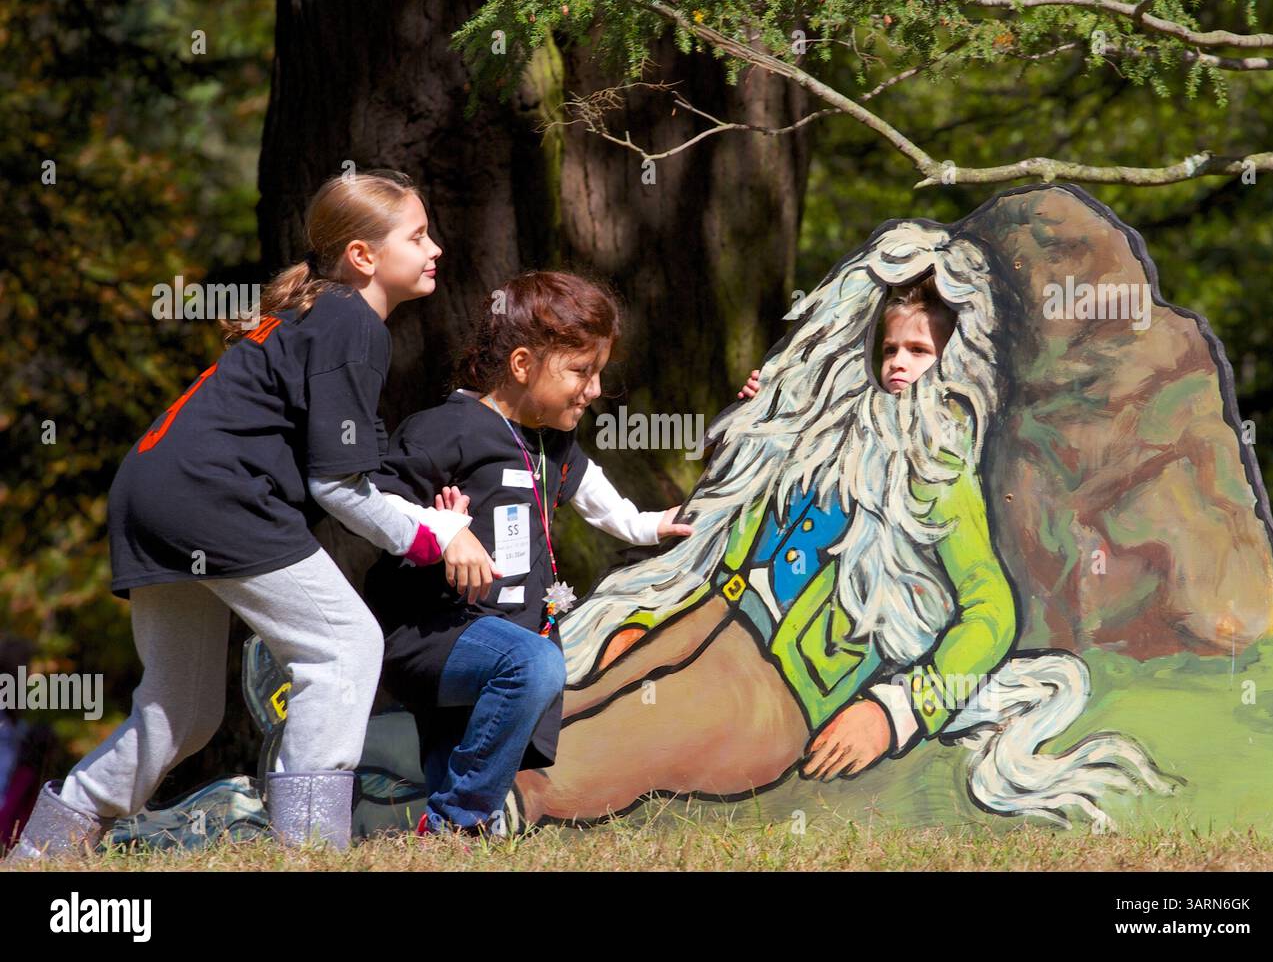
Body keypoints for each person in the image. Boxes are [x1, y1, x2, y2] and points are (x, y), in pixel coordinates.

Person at [6, 169, 468, 862]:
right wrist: (431, 533)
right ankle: (307, 849)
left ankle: (45, 846)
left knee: (182, 711)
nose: (435, 247)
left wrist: (417, 521)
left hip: (154, 492)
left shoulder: (321, 316)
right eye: (418, 234)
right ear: (362, 256)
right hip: (213, 498)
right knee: (344, 646)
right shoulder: (351, 322)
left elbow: (342, 473)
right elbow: (338, 484)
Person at [509, 263, 1022, 827]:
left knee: (641, 729)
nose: (899, 363)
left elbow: (991, 611)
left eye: (920, 351)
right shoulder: (831, 424)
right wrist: (759, 424)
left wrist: (894, 712)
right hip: (712, 610)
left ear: (958, 365)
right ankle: (458, 771)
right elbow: (732, 506)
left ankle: (493, 808)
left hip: (786, 681)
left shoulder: (940, 472)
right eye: (891, 348)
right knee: (586, 682)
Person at [364, 270, 760, 839]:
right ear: (522, 365)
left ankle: (453, 835)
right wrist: (444, 528)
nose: (594, 389)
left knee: (465, 750)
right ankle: (458, 822)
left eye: (598, 372)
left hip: (507, 629)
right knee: (533, 666)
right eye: (581, 371)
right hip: (437, 632)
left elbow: (596, 495)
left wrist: (652, 525)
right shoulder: (445, 429)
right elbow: (375, 502)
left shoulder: (553, 439)